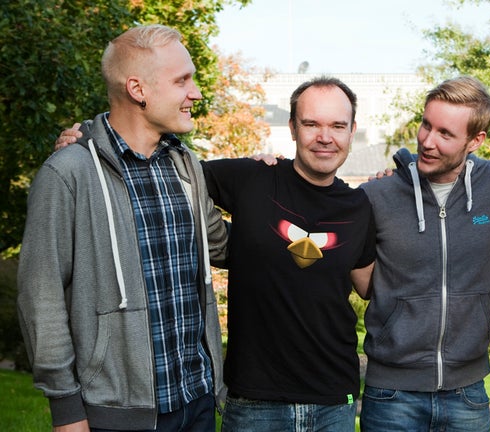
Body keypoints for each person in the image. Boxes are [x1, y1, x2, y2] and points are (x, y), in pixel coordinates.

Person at [18, 24, 228, 431]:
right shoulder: (69, 173)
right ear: (137, 89)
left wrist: (275, 193)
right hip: (114, 415)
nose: (196, 92)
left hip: (197, 402)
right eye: (182, 80)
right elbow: (41, 296)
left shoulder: (185, 165)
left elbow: (222, 245)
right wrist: (66, 409)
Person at [201, 76, 376, 431]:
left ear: (352, 131)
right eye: (311, 124)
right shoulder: (253, 178)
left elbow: (368, 286)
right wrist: (89, 139)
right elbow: (169, 174)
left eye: (337, 126)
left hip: (333, 402)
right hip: (255, 402)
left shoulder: (360, 206)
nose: (325, 137)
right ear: (293, 128)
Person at [358, 76, 490, 431]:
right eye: (426, 125)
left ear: (475, 141)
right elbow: (363, 284)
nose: (427, 141)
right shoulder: (378, 195)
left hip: (467, 394)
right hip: (391, 396)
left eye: (445, 134)